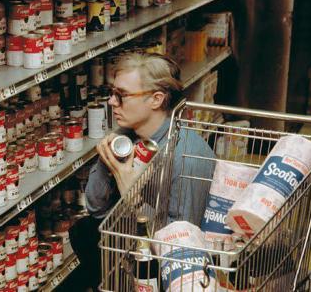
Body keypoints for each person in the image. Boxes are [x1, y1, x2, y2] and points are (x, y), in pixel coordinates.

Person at [64, 52, 216, 291]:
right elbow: (96, 209)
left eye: (121, 95)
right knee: (84, 231)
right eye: (113, 93)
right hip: (134, 246)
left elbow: (180, 249)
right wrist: (109, 161)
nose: (112, 102)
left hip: (173, 267)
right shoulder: (130, 136)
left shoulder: (186, 157)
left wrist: (131, 194)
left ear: (156, 100)